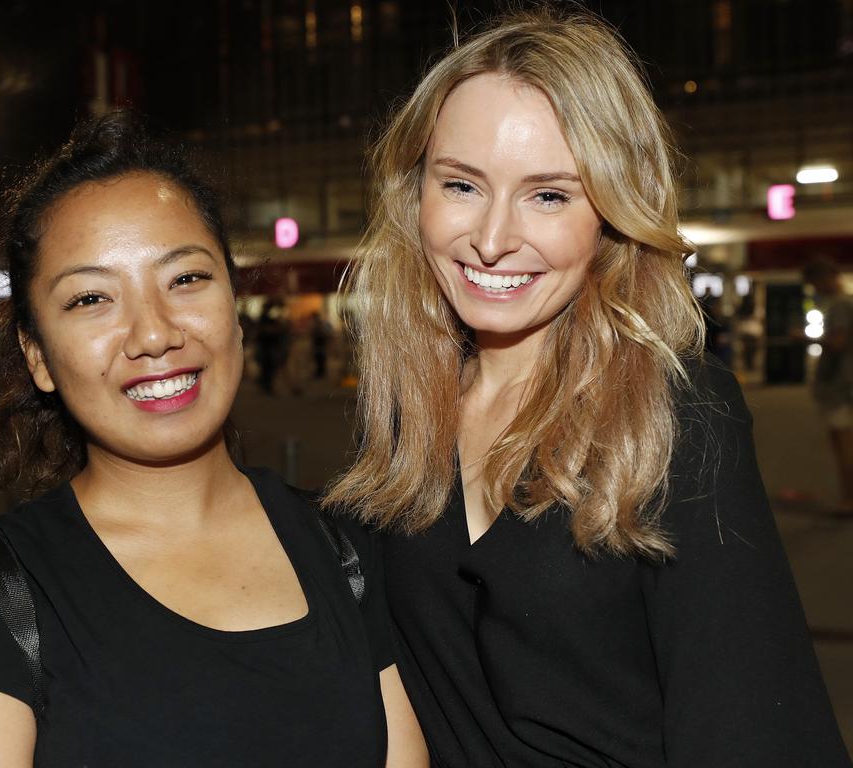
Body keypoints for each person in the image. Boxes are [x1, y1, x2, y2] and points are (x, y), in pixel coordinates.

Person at [324, 7, 850, 767]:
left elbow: (753, 724)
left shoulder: (675, 413)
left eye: (549, 195)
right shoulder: (404, 413)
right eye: (463, 184)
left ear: (609, 215)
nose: (494, 237)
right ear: (416, 194)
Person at [0, 112, 427, 767]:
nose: (153, 333)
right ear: (38, 357)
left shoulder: (349, 553)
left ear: (235, 304)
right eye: (90, 300)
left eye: (186, 279)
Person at [803, 255, 853, 513]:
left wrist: (808, 339)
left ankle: (848, 497)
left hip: (839, 382)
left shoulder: (840, 305)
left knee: (842, 441)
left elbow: (838, 343)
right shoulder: (843, 303)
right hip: (842, 381)